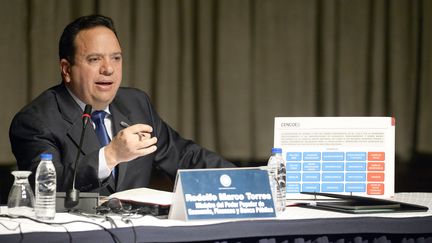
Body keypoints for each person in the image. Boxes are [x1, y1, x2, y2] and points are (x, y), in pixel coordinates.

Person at [9, 14, 234, 196]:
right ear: (67, 70)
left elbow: (184, 157)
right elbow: (46, 187)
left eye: (116, 58)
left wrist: (250, 179)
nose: (108, 69)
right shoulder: (36, 121)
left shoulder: (135, 104)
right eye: (94, 59)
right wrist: (109, 156)